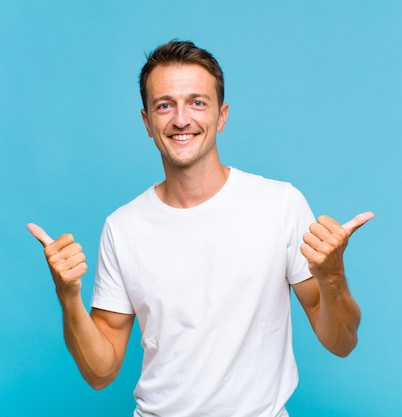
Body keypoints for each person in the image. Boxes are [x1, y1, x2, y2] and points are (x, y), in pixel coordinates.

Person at [28, 40, 373, 417]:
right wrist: (68, 297)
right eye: (164, 105)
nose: (180, 119)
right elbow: (101, 372)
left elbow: (342, 343)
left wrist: (333, 277)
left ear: (221, 116)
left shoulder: (281, 205)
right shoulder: (122, 227)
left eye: (197, 102)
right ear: (147, 122)